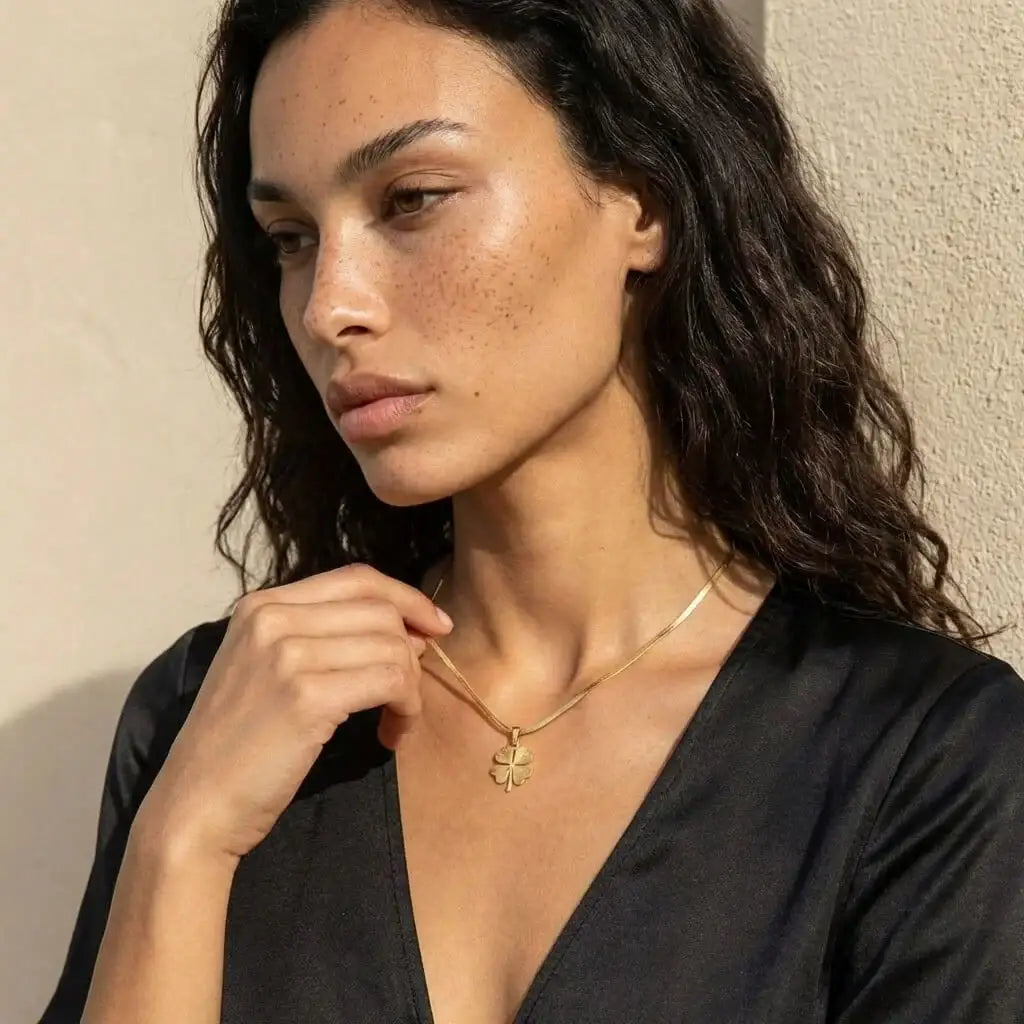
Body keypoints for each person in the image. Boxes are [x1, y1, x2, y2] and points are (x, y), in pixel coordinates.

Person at [39, 0, 1024, 1021]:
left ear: (643, 201)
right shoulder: (218, 712)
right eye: (290, 238)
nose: (331, 306)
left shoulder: (918, 761)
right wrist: (183, 841)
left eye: (413, 199)